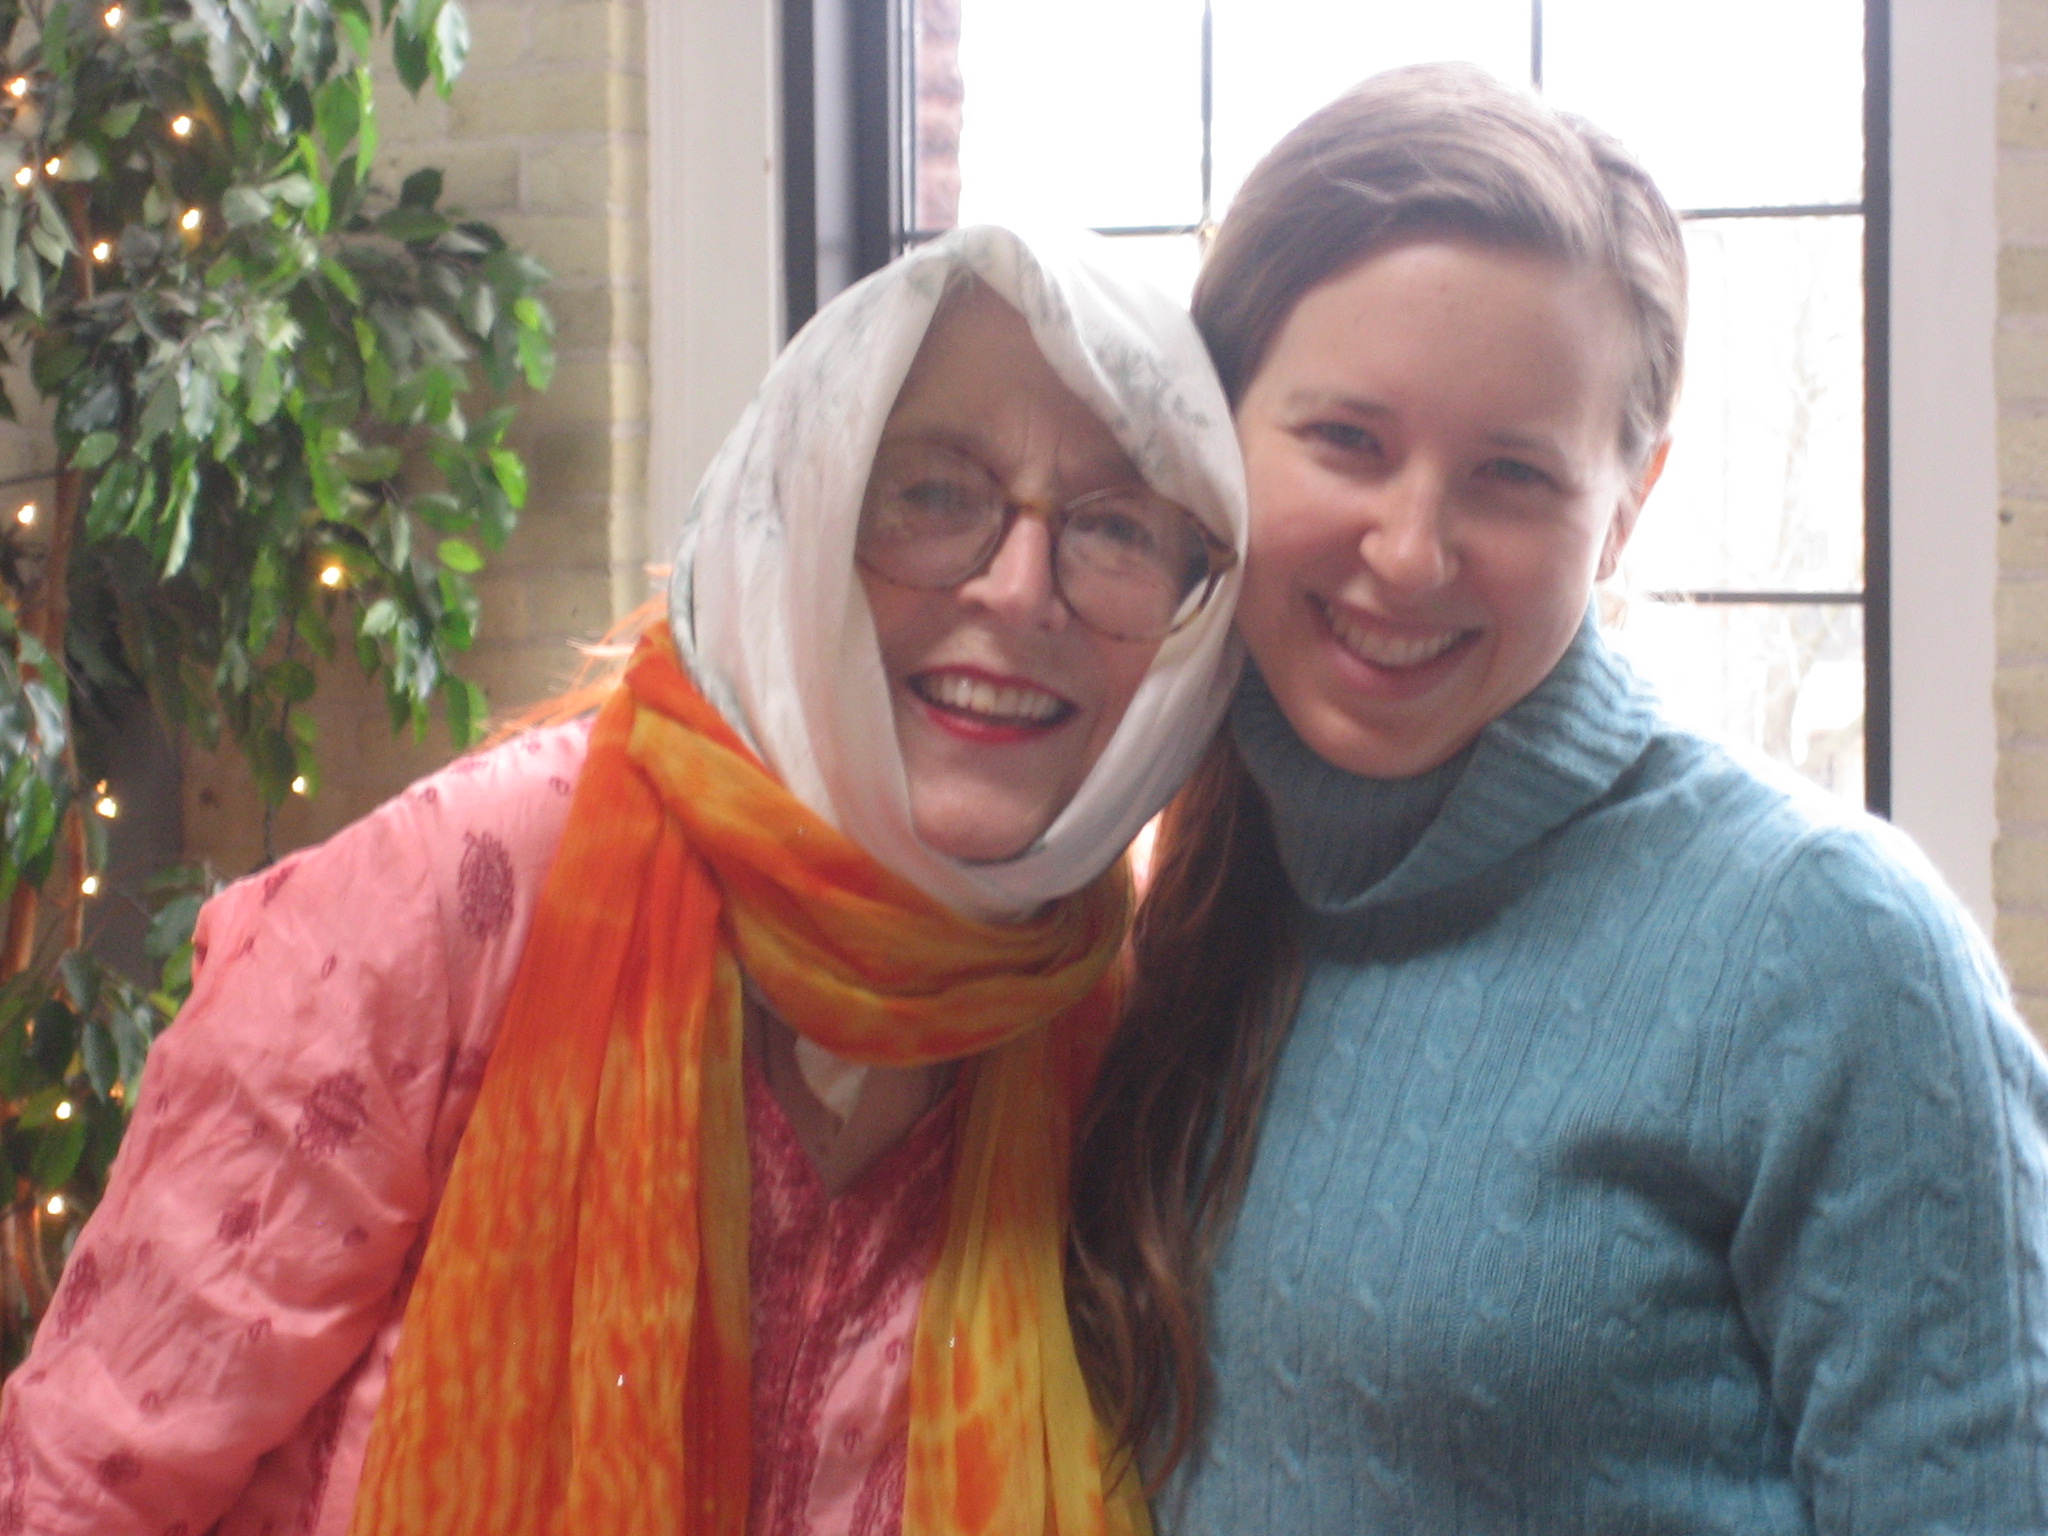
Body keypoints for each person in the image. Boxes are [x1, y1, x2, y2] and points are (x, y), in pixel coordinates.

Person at [2, 224, 1246, 1536]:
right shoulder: (467, 890)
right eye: (935, 493)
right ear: (811, 506)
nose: (1019, 587)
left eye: (1114, 526)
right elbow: (86, 1486)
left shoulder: (1098, 1016)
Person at [1068, 63, 2048, 1534]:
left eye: (1512, 477)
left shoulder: (1828, 948)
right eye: (1348, 440)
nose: (1411, 552)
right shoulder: (1152, 892)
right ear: (1216, 439)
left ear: (1629, 505)